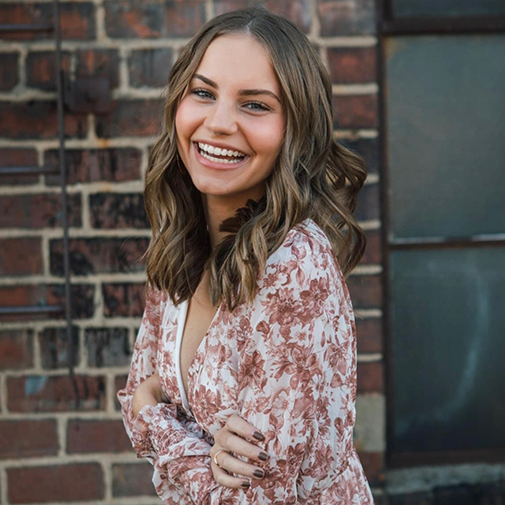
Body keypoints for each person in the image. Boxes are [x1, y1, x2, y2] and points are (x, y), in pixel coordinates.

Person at [118, 7, 374, 504]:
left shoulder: (296, 267)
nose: (218, 123)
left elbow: (249, 497)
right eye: (204, 93)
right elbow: (134, 391)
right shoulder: (181, 244)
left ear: (294, 128)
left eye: (254, 105)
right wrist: (201, 449)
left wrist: (157, 425)